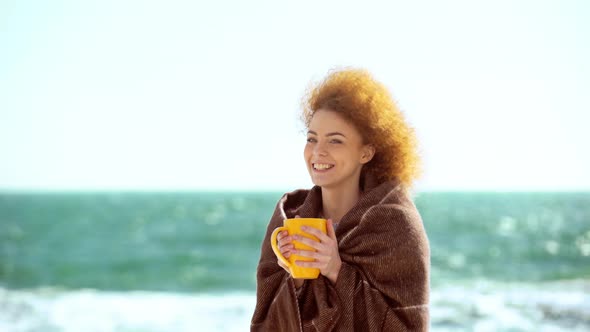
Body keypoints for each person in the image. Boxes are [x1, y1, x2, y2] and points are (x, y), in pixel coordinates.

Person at [251, 68, 430, 331]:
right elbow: (264, 324)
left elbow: (407, 327)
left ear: (366, 152)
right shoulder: (289, 219)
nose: (318, 152)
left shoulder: (397, 225)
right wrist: (296, 279)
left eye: (335, 141)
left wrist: (336, 270)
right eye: (312, 139)